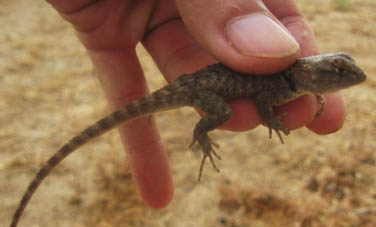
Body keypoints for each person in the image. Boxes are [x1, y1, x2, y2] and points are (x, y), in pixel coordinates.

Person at [46, 0, 347, 208]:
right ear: (314, 73)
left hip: (201, 79)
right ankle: (200, 134)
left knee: (228, 111)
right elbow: (265, 99)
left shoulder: (296, 80)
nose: (340, 80)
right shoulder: (288, 79)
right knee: (226, 113)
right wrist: (272, 121)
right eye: (335, 73)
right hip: (203, 90)